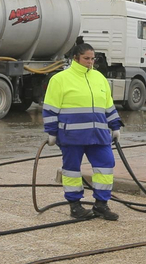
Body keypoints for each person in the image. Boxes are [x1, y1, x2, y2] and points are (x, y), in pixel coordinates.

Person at [43, 42, 121, 220]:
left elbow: (108, 105)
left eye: (92, 58)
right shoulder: (60, 79)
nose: (90, 62)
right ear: (75, 58)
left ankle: (101, 205)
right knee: (71, 171)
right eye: (86, 58)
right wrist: (51, 132)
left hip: (99, 135)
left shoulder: (99, 78)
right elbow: (50, 109)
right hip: (72, 136)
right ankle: (75, 206)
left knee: (106, 167)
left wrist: (115, 126)